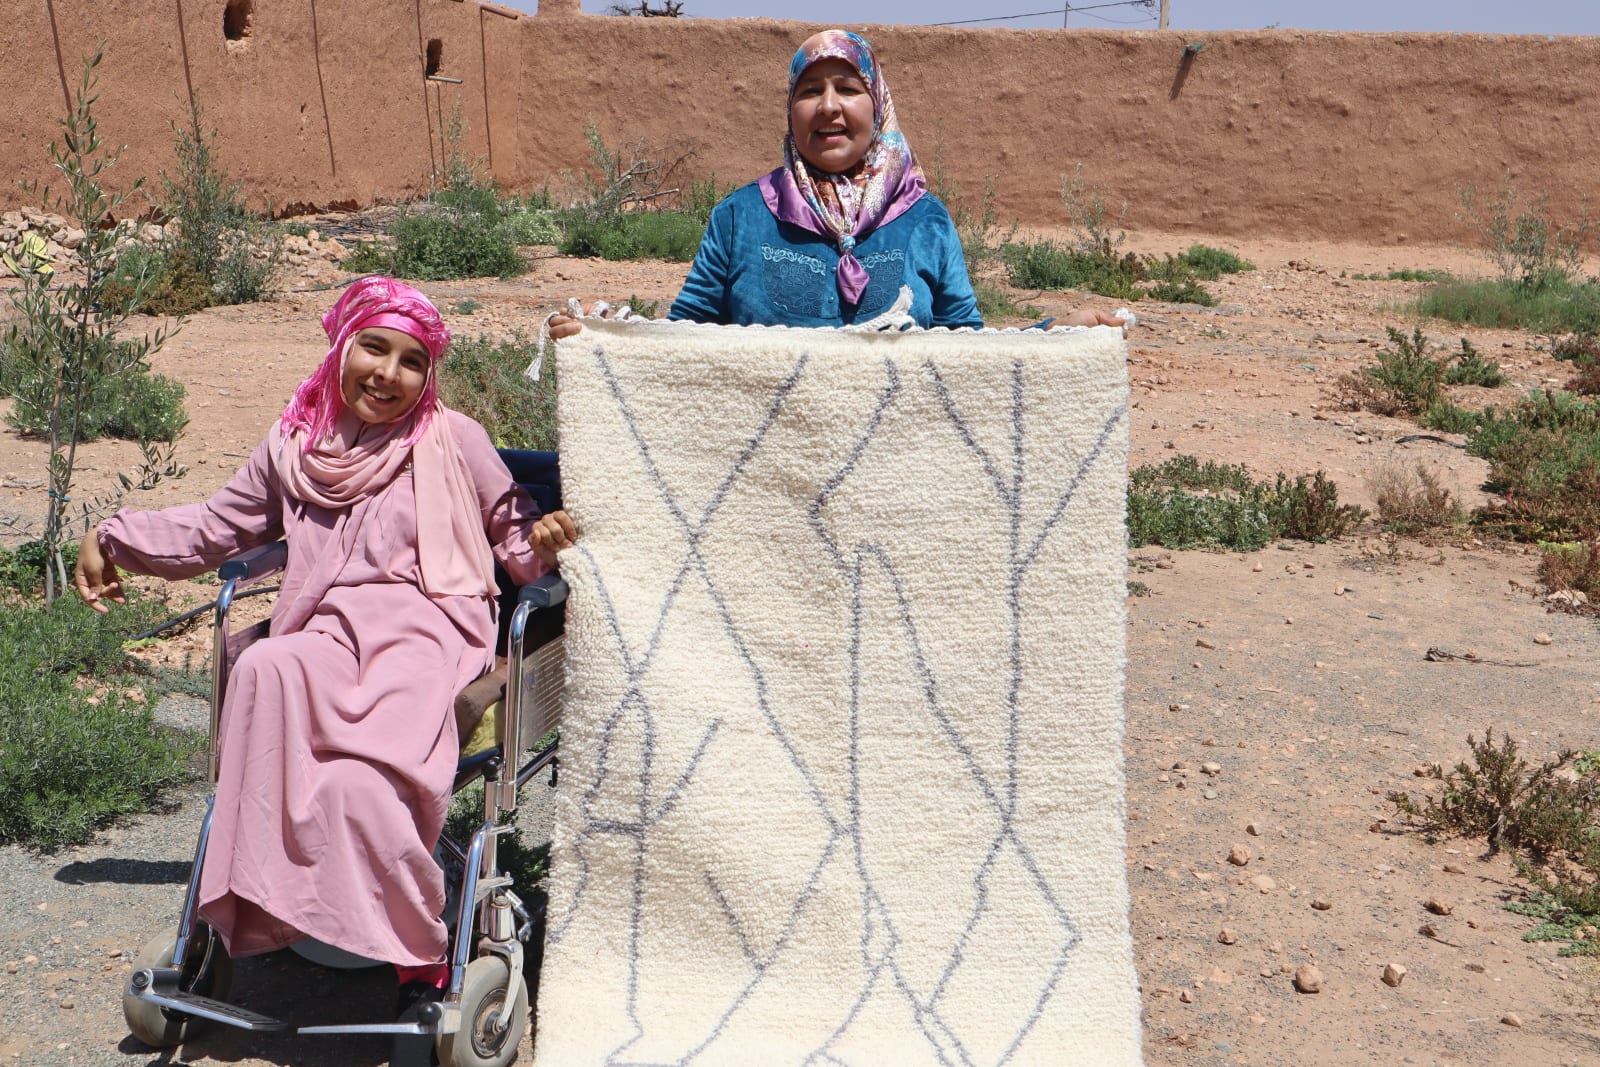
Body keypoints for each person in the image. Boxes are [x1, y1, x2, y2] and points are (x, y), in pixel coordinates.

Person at [73, 276, 576, 1016]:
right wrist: (112, 536)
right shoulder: (295, 444)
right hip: (326, 629)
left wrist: (546, 543)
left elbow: (517, 541)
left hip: (427, 630)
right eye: (374, 347)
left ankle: (416, 952)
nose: (389, 373)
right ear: (342, 347)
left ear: (429, 374)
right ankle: (262, 908)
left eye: (412, 361)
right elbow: (217, 527)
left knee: (359, 786)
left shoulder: (455, 438)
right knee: (264, 662)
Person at [549, 29, 1123, 337]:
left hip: (890, 476)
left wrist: (1055, 336)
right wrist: (608, 339)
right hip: (765, 473)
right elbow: (683, 339)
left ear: (878, 107)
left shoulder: (924, 218)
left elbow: (965, 351)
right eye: (809, 91)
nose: (828, 106)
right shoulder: (741, 215)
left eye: (848, 89)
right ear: (790, 110)